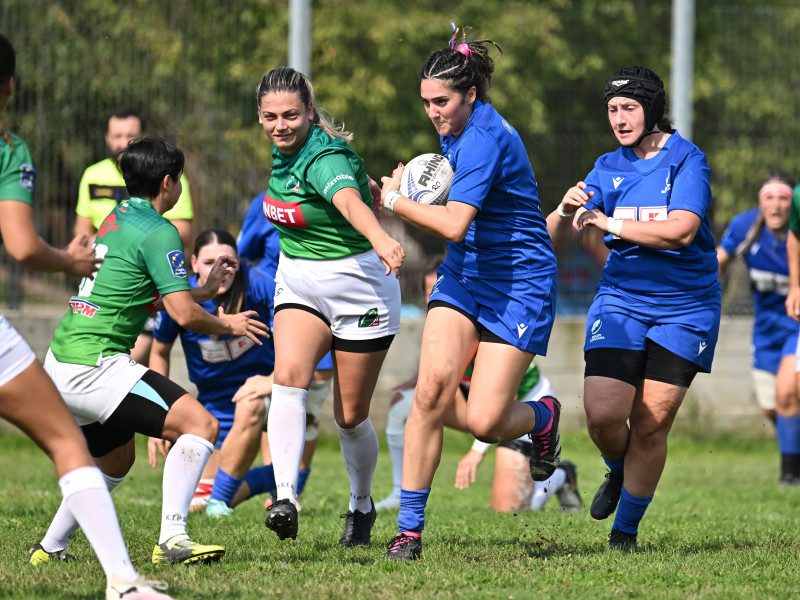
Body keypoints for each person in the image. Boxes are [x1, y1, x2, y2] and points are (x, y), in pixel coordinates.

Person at [31, 137, 269, 567]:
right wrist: (226, 321)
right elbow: (182, 313)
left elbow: (146, 292)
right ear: (167, 183)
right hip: (95, 365)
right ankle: (173, 539)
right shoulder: (162, 232)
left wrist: (204, 289)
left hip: (63, 360)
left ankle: (49, 549)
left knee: (117, 460)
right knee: (201, 424)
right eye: (179, 178)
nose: (180, 186)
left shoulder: (117, 217)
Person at [0, 34, 174, 599]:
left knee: (112, 453)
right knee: (70, 447)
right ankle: (126, 581)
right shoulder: (9, 148)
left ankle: (55, 548)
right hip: (90, 345)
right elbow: (24, 248)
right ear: (10, 86)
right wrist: (68, 258)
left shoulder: (145, 212)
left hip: (96, 332)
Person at [378, 25, 561, 560]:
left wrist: (394, 202)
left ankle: (544, 417)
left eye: (443, 101)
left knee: (484, 420)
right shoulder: (454, 128)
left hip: (519, 282)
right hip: (465, 275)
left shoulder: (484, 136)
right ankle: (409, 531)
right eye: (427, 102)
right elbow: (452, 219)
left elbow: (455, 224)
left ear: (471, 95)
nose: (434, 112)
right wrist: (397, 191)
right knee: (431, 391)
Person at [551, 66, 721, 550]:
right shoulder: (606, 166)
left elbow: (681, 231)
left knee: (650, 422)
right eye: (612, 110)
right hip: (622, 300)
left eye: (628, 108)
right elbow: (551, 240)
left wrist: (609, 223)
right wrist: (564, 212)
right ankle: (619, 470)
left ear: (651, 109)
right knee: (603, 415)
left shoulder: (688, 160)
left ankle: (624, 534)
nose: (619, 119)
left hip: (686, 307)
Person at [255, 66, 404, 547]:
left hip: (360, 286)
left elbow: (346, 200)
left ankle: (361, 507)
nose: (281, 126)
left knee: (349, 416)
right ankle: (284, 497)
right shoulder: (284, 154)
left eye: (291, 116)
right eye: (271, 116)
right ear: (260, 117)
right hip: (299, 281)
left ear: (310, 112)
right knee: (288, 379)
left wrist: (381, 237)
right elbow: (357, 193)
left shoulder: (323, 155)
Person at [375, 257, 581, 515]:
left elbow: (505, 396)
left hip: (518, 407)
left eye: (434, 289)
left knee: (512, 509)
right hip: (477, 404)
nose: (431, 297)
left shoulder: (483, 324)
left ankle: (560, 476)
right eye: (430, 291)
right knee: (405, 401)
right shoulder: (444, 320)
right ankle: (399, 493)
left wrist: (476, 452)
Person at [148, 228, 282, 517]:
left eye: (228, 262)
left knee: (250, 404)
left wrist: (272, 380)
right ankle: (277, 481)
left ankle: (223, 504)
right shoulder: (180, 297)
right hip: (211, 406)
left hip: (264, 396)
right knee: (192, 501)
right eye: (210, 263)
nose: (220, 270)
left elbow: (295, 339)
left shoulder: (260, 286)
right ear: (193, 263)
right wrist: (157, 415)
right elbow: (158, 352)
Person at [236, 191, 334, 512]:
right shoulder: (263, 202)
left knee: (312, 400)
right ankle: (281, 490)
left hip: (324, 304)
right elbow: (242, 256)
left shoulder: (335, 195)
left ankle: (288, 490)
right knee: (278, 397)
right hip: (274, 311)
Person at [74, 106, 195, 366]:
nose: (123, 143)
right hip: (103, 280)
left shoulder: (166, 189)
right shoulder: (93, 175)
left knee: (136, 361)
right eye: (116, 135)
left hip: (146, 277)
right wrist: (227, 325)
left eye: (130, 136)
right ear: (106, 137)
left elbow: (183, 231)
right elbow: (81, 233)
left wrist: (127, 234)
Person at [718, 174, 800, 485]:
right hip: (765, 328)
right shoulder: (745, 227)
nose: (776, 205)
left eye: (783, 198)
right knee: (771, 407)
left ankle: (790, 476)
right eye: (770, 198)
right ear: (760, 202)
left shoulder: (798, 231)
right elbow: (717, 263)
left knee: (787, 393)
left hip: (796, 325)